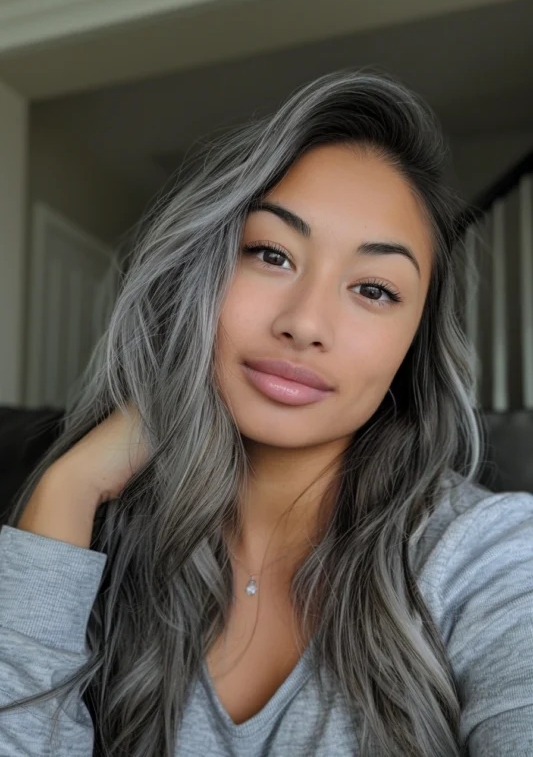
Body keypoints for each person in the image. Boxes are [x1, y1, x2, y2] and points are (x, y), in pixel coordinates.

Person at [0, 69, 532, 757]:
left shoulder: (486, 557)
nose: (306, 323)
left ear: (413, 344)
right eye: (270, 253)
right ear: (199, 275)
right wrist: (63, 492)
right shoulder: (97, 547)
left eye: (372, 289)